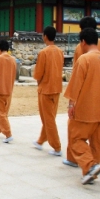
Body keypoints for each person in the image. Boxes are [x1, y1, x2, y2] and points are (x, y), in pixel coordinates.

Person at [64, 28, 100, 185]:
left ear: (83, 42)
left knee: (76, 139)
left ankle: (90, 166)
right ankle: (90, 173)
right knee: (96, 143)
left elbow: (76, 85)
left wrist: (71, 104)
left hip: (85, 109)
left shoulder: (83, 60)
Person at [32, 26, 64, 156]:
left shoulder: (43, 53)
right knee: (49, 117)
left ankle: (57, 147)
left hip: (46, 89)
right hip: (56, 88)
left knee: (48, 119)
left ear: (45, 36)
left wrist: (39, 81)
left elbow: (38, 73)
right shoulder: (60, 51)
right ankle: (40, 141)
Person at [0, 39, 16, 143]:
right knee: (3, 112)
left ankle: (8, 133)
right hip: (9, 89)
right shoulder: (13, 59)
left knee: (1, 113)